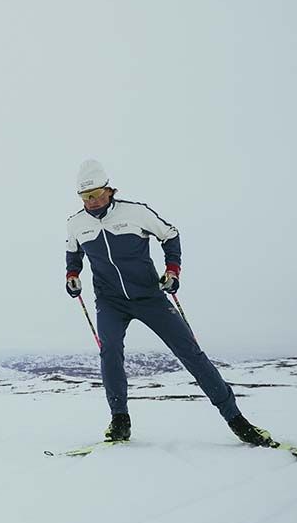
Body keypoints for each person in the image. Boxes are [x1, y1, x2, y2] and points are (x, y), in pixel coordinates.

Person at [64, 159, 275, 447]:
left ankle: (237, 420)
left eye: (96, 194)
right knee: (109, 352)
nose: (91, 201)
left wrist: (172, 271)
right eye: (85, 197)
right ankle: (120, 420)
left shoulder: (136, 213)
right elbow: (73, 254)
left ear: (110, 190)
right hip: (110, 301)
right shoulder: (76, 224)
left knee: (189, 352)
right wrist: (72, 275)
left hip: (149, 296)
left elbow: (170, 235)